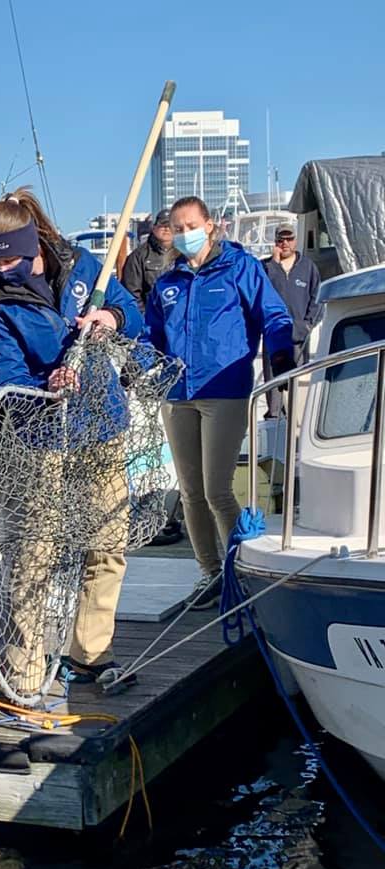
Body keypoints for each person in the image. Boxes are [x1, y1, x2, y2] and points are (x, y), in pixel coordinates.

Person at [0, 187, 144, 688]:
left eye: (11, 261)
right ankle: (26, 666)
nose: (2, 271)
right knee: (34, 554)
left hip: (102, 426)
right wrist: (45, 384)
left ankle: (91, 652)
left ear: (34, 246)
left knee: (107, 544)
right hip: (41, 437)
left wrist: (109, 318)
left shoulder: (85, 265)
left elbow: (129, 310)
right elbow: (5, 374)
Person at [144, 196, 295, 609]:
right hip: (177, 395)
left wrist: (281, 353)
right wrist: (137, 363)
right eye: (177, 227)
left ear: (210, 225)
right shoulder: (167, 282)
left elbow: (274, 315)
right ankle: (210, 573)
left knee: (216, 490)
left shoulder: (240, 268)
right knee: (190, 492)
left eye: (190, 224)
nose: (183, 233)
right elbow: (151, 336)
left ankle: (237, 570)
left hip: (224, 390)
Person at [262, 223, 322, 418]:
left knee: (298, 381)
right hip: (273, 335)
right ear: (275, 242)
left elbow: (317, 298)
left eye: (289, 239)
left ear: (295, 240)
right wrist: (274, 264)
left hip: (299, 335)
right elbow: (261, 294)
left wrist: (307, 324)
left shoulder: (308, 267)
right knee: (274, 383)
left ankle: (296, 416)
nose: (285, 243)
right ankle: (274, 415)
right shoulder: (266, 267)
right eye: (281, 239)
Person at [121, 208, 173, 314]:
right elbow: (131, 293)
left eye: (170, 226)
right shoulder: (138, 256)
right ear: (154, 228)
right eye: (162, 225)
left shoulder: (185, 253)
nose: (167, 229)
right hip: (152, 319)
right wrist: (147, 318)